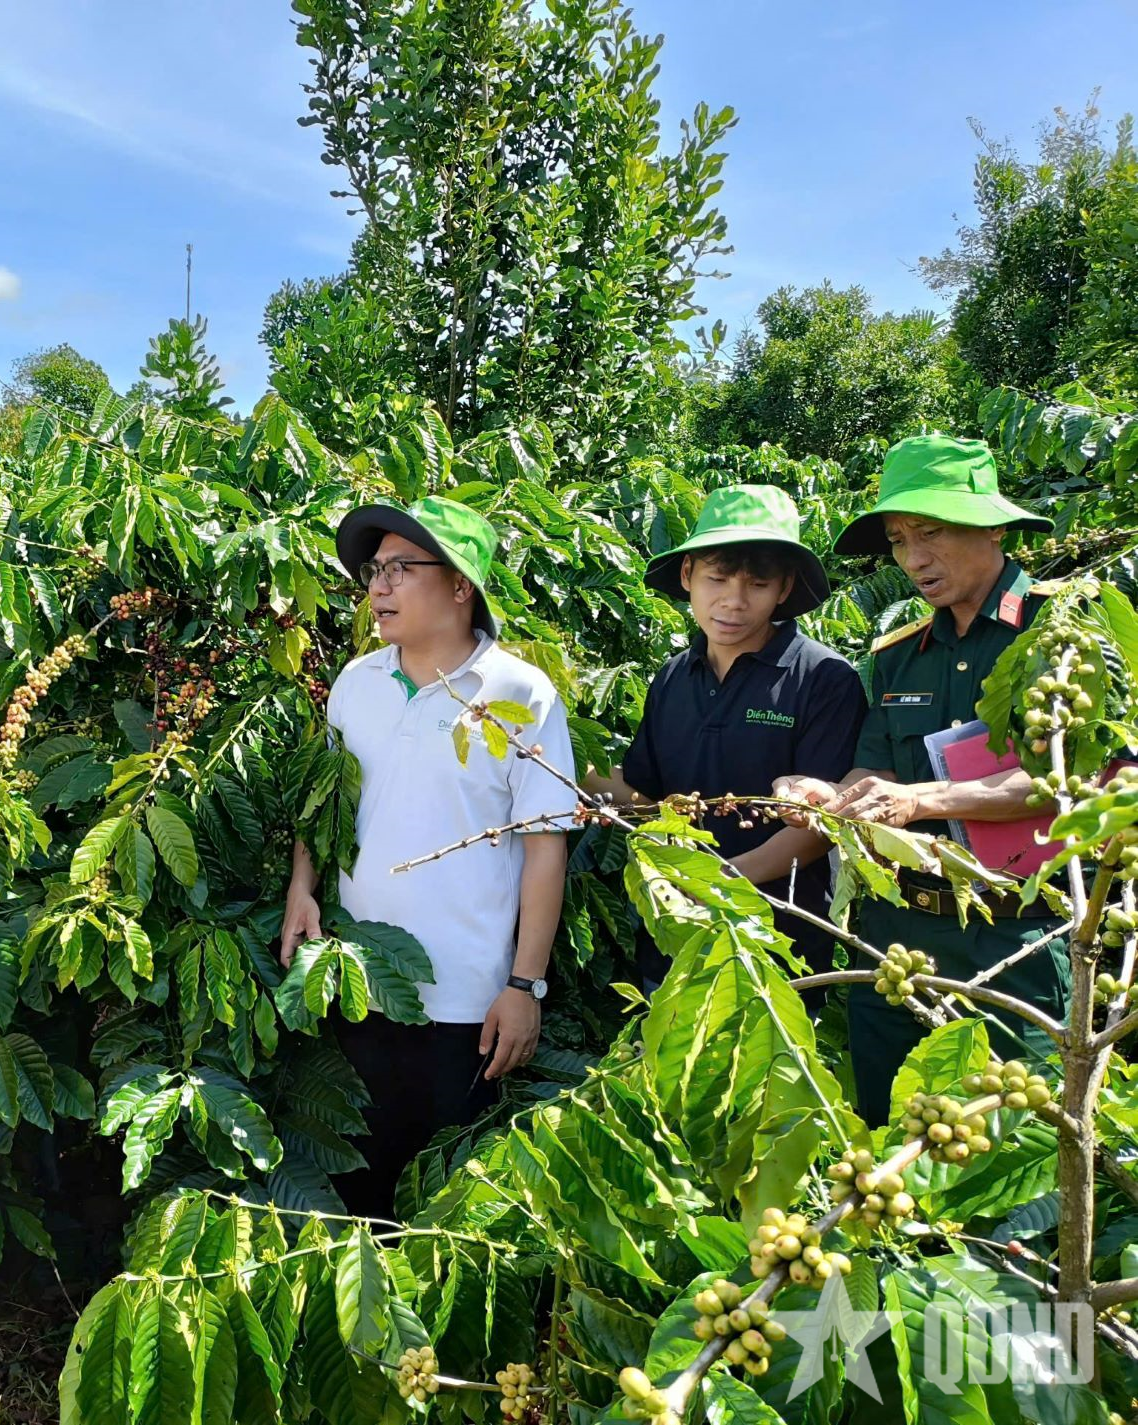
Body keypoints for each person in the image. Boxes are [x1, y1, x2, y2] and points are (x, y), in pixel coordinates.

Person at [278, 495, 574, 1216]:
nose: (378, 586)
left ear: (460, 584)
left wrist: (523, 985)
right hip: (355, 982)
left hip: (464, 1004)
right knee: (356, 1183)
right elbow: (327, 802)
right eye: (374, 571)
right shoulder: (357, 683)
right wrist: (302, 886)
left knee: (441, 1201)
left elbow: (545, 849)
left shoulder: (518, 693)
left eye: (401, 568)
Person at [775, 434, 1063, 1113]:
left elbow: (1078, 777)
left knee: (1011, 1155)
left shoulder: (1060, 629)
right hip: (895, 931)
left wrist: (924, 799)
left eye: (930, 532)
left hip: (1013, 930)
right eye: (900, 540)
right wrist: (830, 795)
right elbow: (875, 764)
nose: (913, 559)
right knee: (889, 1141)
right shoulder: (900, 654)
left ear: (993, 526)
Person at [584, 485, 867, 991]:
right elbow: (650, 801)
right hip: (675, 942)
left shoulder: (823, 678)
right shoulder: (673, 678)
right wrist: (571, 764)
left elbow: (820, 826)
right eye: (716, 579)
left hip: (778, 946)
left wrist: (714, 881)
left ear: (783, 590)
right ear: (688, 576)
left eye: (757, 585)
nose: (733, 602)